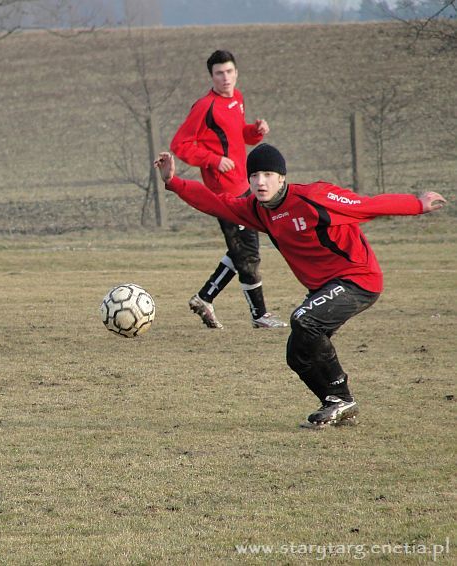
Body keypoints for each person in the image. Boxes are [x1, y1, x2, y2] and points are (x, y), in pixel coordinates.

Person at [155, 144, 446, 428]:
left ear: (282, 177)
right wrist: (173, 181)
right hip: (323, 289)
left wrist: (417, 204)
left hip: (358, 279)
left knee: (303, 320)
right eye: (254, 176)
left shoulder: (314, 197)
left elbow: (365, 205)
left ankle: (340, 399)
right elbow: (217, 203)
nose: (260, 181)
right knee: (297, 355)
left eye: (268, 174)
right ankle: (338, 401)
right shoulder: (258, 210)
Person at [170, 49, 285, 330]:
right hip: (224, 194)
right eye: (219, 73)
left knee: (241, 250)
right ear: (211, 76)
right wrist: (213, 160)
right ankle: (260, 315)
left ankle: (204, 298)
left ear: (236, 73)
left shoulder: (237, 98)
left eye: (229, 72)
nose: (225, 78)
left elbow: (238, 136)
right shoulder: (204, 106)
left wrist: (255, 132)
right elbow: (180, 145)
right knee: (248, 253)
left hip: (244, 186)